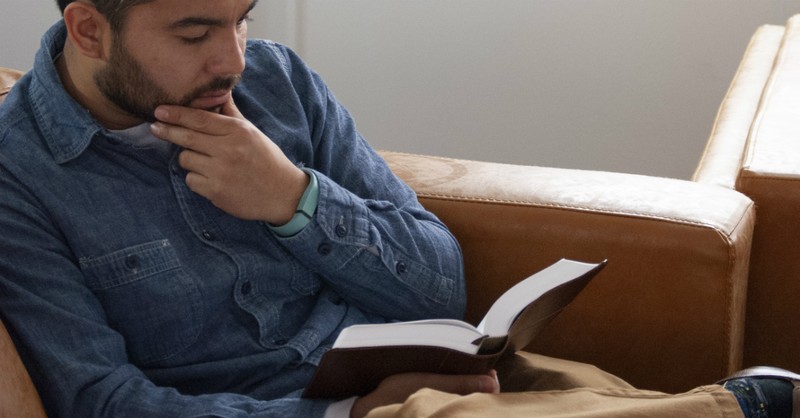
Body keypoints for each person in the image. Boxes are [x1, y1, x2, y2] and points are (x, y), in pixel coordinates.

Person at [0, 1, 796, 417]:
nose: (232, 61)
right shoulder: (18, 179)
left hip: (430, 376)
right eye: (196, 32)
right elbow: (100, 401)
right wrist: (345, 412)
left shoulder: (281, 85)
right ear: (90, 29)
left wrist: (294, 200)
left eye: (242, 19)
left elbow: (436, 286)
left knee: (581, 388)